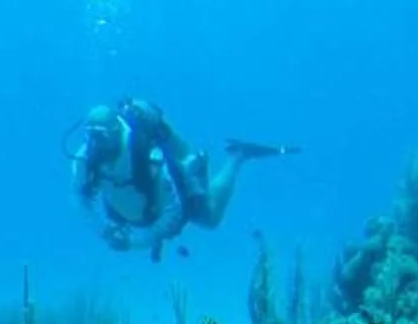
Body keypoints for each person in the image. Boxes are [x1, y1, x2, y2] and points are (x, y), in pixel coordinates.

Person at [67, 98, 294, 261]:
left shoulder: (146, 155)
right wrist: (103, 231)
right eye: (92, 137)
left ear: (116, 132)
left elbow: (173, 210)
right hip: (134, 212)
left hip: (160, 201)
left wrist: (138, 242)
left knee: (209, 217)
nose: (98, 145)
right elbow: (80, 199)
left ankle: (237, 155)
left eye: (103, 137)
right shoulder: (84, 159)